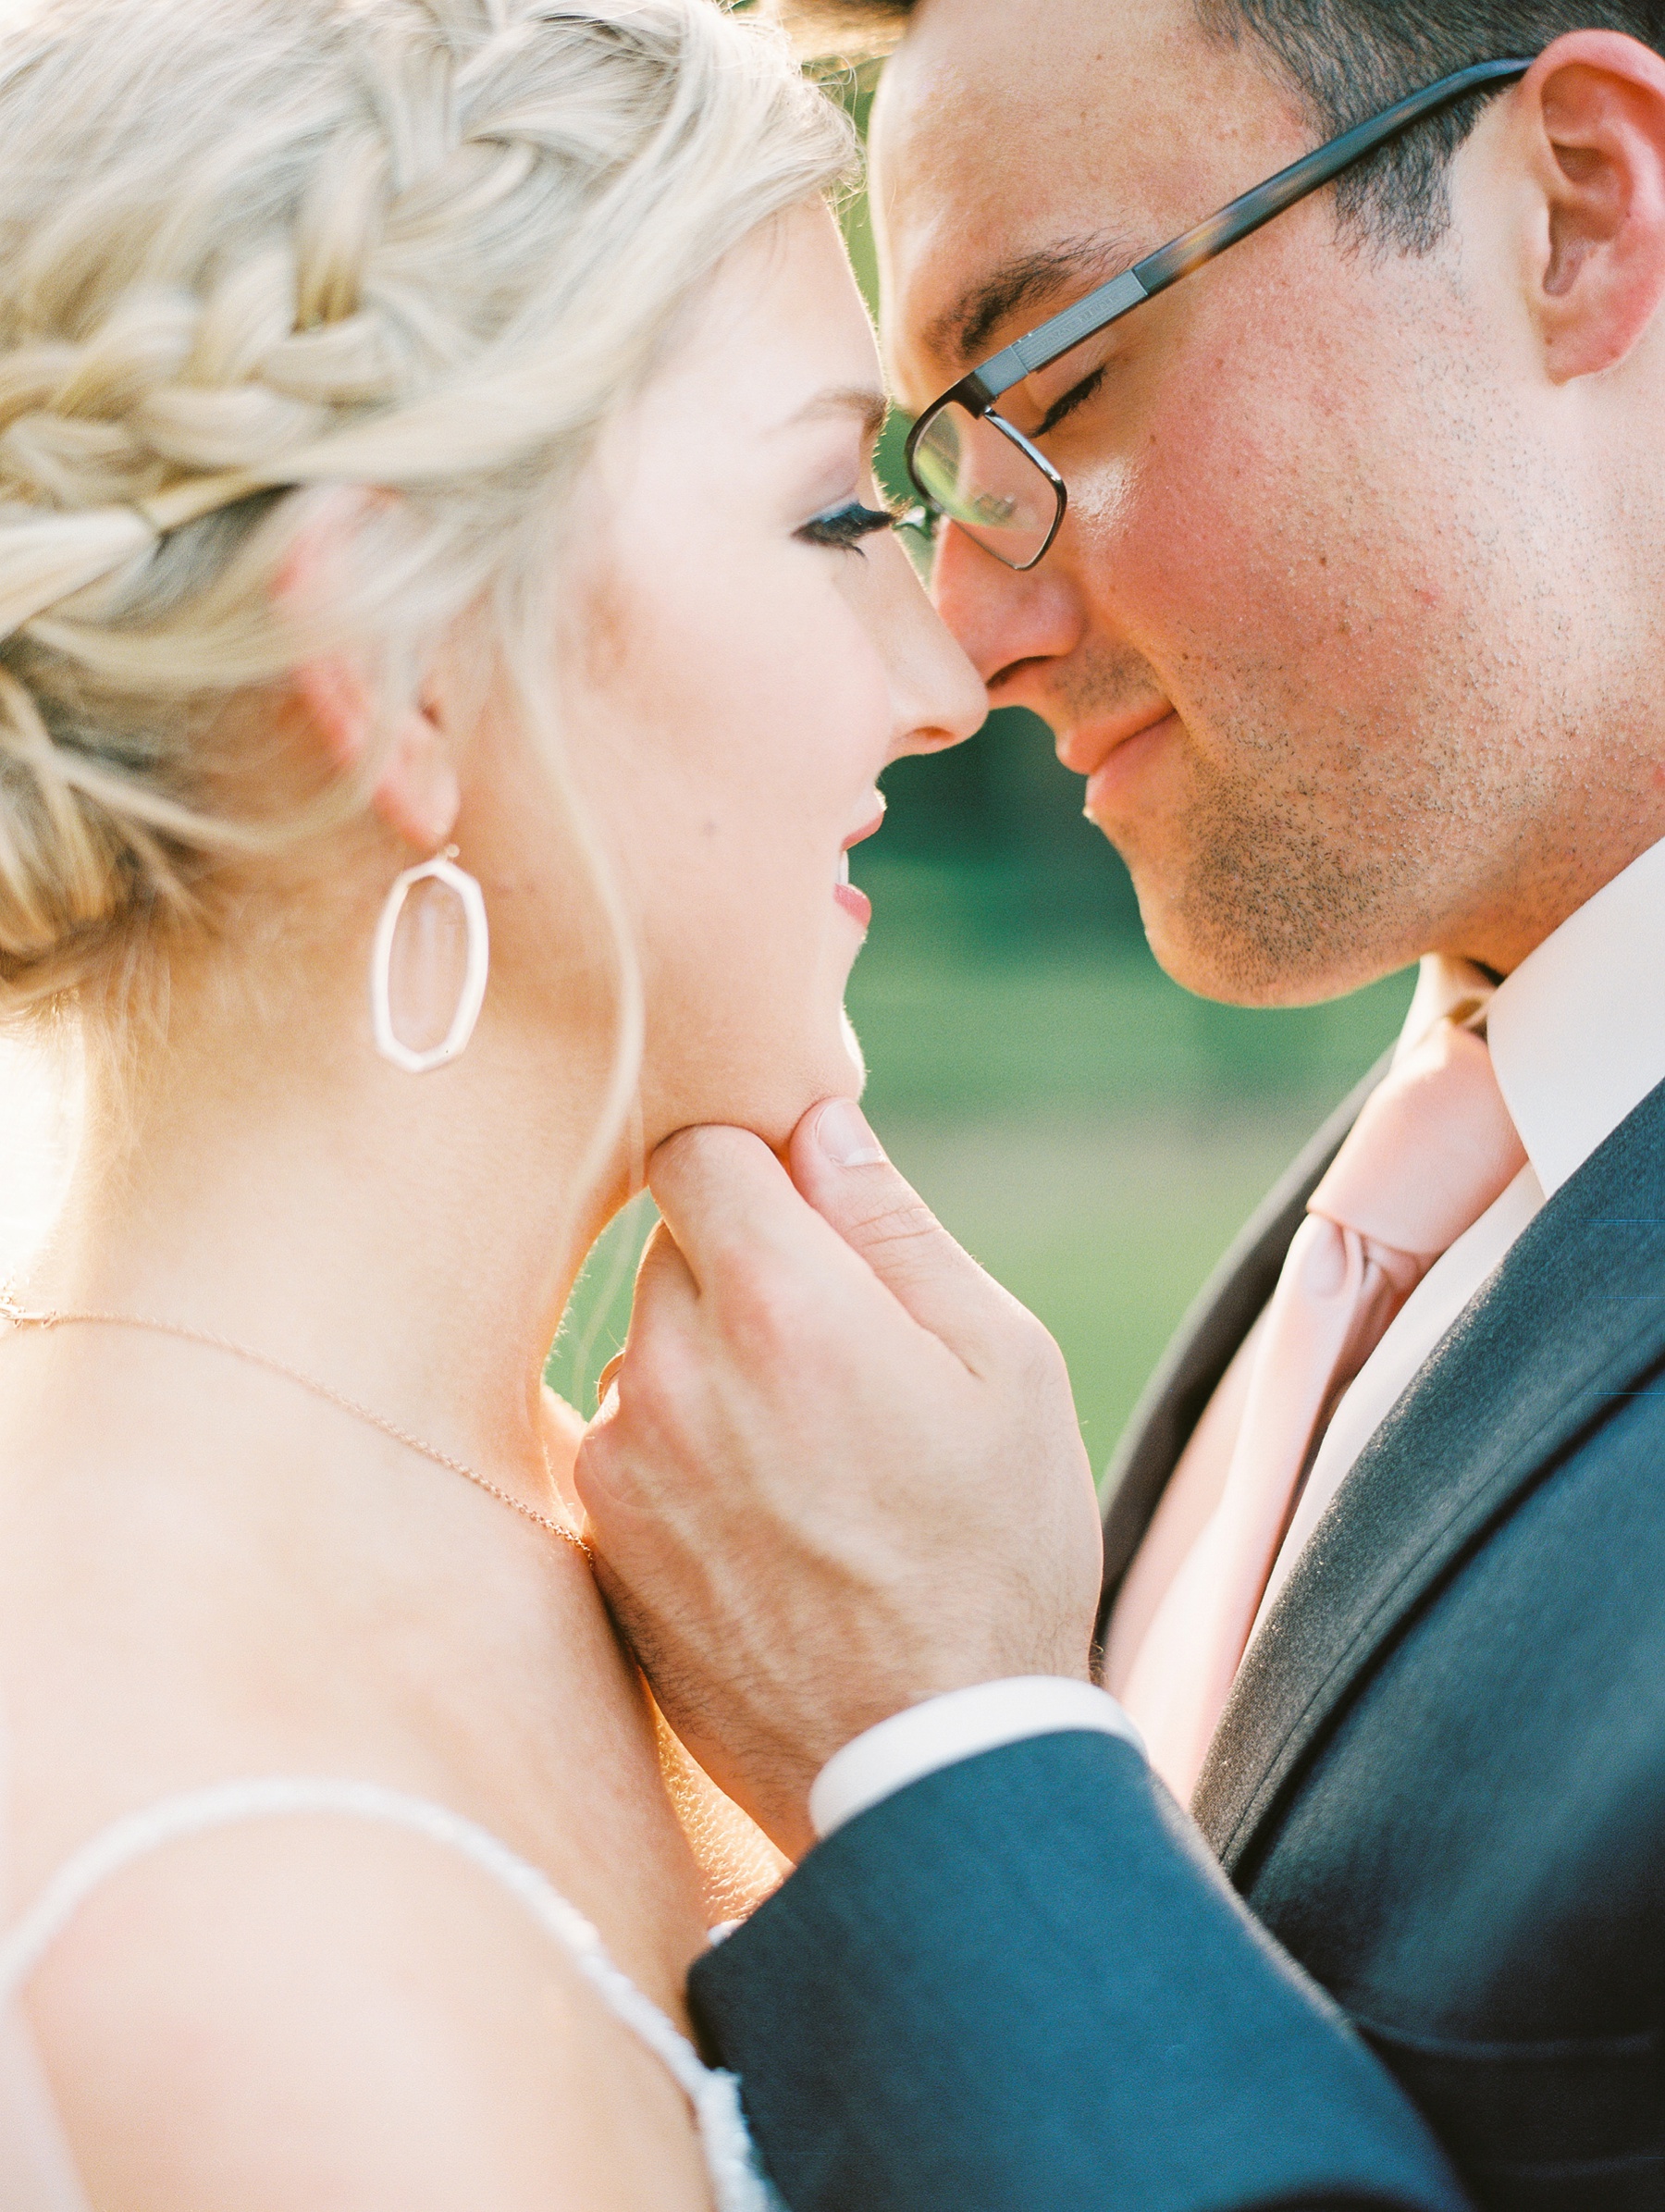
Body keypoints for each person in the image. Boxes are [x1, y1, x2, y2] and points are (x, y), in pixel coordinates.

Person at [575, 3, 1665, 2207]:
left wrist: (938, 1739)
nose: (967, 627)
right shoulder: (1438, 1171)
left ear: (1578, 212)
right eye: (922, 470)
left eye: (1055, 375)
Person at [0, 0, 988, 2204]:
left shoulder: (704, 1537)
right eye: (839, 511)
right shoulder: (239, 1917)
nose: (945, 681)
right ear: (404, 660)